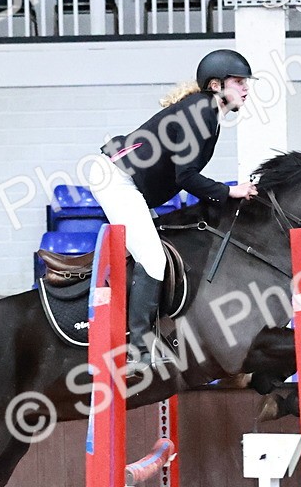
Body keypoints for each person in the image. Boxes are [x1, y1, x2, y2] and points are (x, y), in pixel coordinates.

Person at [96, 48, 259, 375]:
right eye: (238, 82)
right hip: (117, 181)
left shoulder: (206, 112)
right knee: (153, 259)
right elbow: (185, 177)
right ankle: (138, 349)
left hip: (128, 183)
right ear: (216, 85)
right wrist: (230, 192)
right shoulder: (202, 111)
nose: (245, 88)